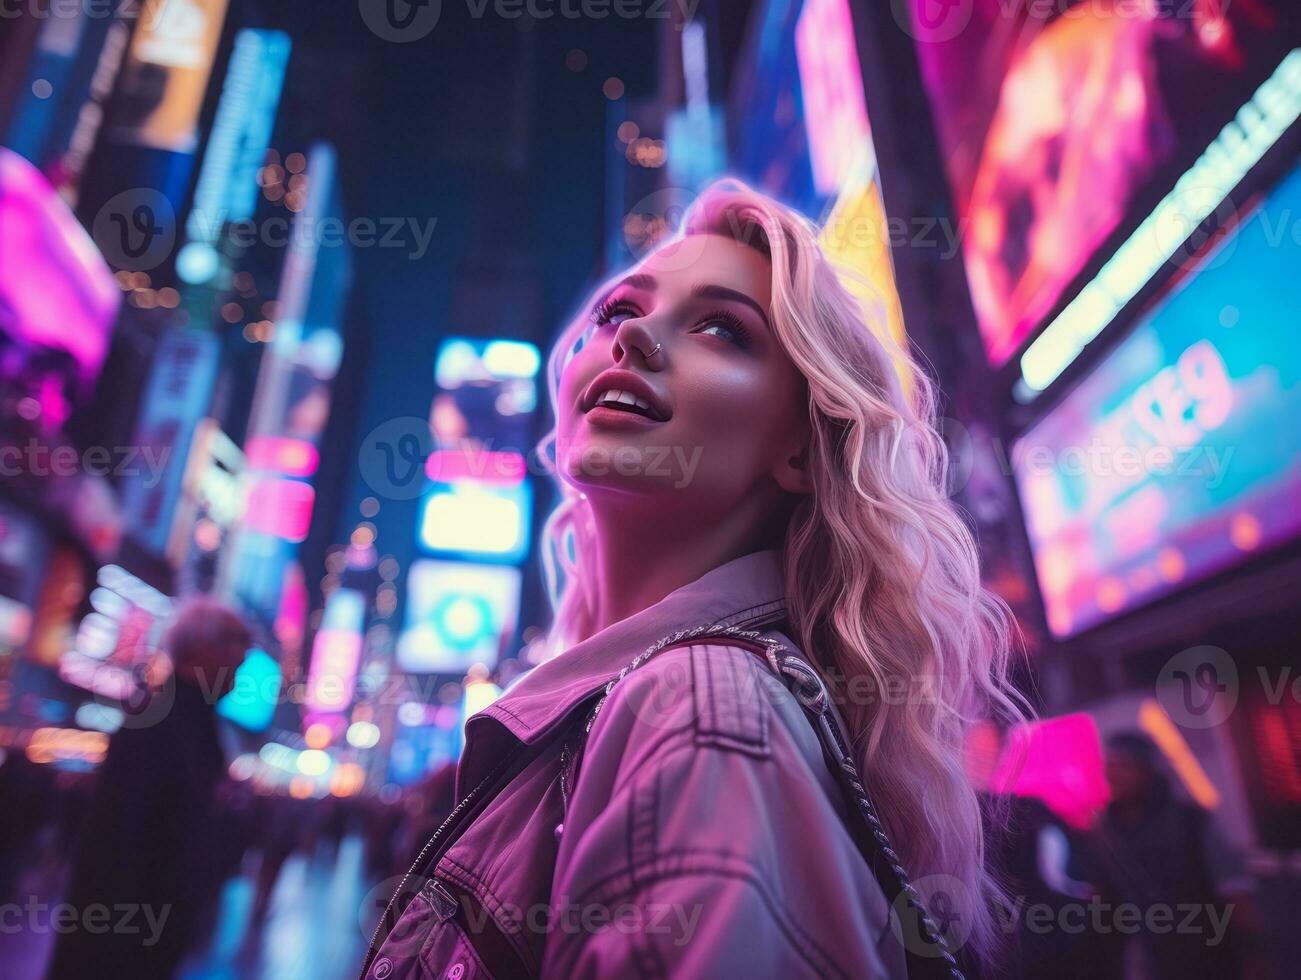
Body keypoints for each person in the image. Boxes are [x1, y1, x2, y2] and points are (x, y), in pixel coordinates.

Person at [362, 179, 1024, 979]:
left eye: (721, 328)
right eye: (617, 311)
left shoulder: (696, 706)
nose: (634, 336)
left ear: (798, 450)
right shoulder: (644, 703)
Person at [46, 596, 251, 980]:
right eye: (234, 653)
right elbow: (117, 850)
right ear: (201, 650)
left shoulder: (192, 726)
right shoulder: (159, 726)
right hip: (117, 949)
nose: (239, 670)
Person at [1070, 732, 1262, 980]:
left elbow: (1235, 891)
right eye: (1110, 766)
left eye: (1124, 765)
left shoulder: (1188, 821)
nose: (1113, 773)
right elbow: (1100, 899)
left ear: (1147, 770)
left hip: (1208, 955)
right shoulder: (1102, 834)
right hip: (1146, 960)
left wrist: (1255, 957)